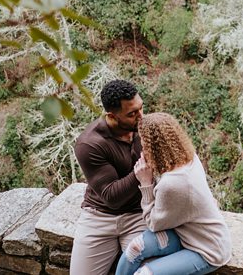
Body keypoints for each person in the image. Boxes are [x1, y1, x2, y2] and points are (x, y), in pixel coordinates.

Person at [115, 112, 232, 275]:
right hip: (182, 232)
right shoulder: (186, 157)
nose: (140, 144)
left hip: (205, 248)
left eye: (143, 140)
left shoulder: (172, 183)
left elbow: (153, 224)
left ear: (152, 146)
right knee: (134, 249)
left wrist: (145, 183)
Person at [70, 79, 147, 275]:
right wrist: (145, 167)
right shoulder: (90, 144)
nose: (141, 116)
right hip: (99, 217)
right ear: (112, 116)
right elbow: (112, 197)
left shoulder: (144, 127)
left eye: (141, 108)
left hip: (139, 214)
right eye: (132, 114)